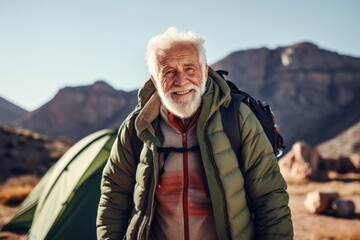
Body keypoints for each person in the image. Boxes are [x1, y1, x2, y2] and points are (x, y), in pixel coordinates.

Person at [96, 26, 293, 240]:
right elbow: (114, 198)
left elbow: (270, 197)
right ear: (154, 80)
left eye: (190, 68)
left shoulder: (236, 118)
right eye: (169, 71)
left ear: (205, 71)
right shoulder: (137, 127)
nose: (181, 81)